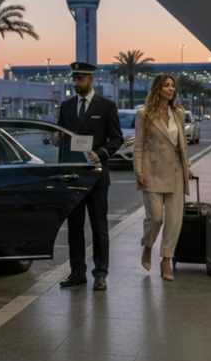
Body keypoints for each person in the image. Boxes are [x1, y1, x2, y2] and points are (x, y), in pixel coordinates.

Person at [57, 62, 124, 291]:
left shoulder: (106, 106)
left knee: (99, 227)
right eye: (74, 78)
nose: (76, 83)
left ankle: (100, 273)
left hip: (97, 177)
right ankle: (77, 272)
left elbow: (117, 139)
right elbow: (61, 134)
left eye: (80, 79)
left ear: (92, 79)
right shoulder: (66, 106)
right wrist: (57, 140)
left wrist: (102, 153)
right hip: (74, 177)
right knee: (74, 228)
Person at [134, 74, 195, 281]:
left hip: (177, 170)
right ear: (157, 89)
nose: (171, 89)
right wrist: (139, 172)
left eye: (173, 86)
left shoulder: (178, 112)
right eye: (166, 86)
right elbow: (138, 147)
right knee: (156, 218)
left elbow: (182, 144)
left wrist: (187, 166)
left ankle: (166, 259)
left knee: (174, 219)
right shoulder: (144, 114)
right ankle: (148, 245)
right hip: (151, 171)